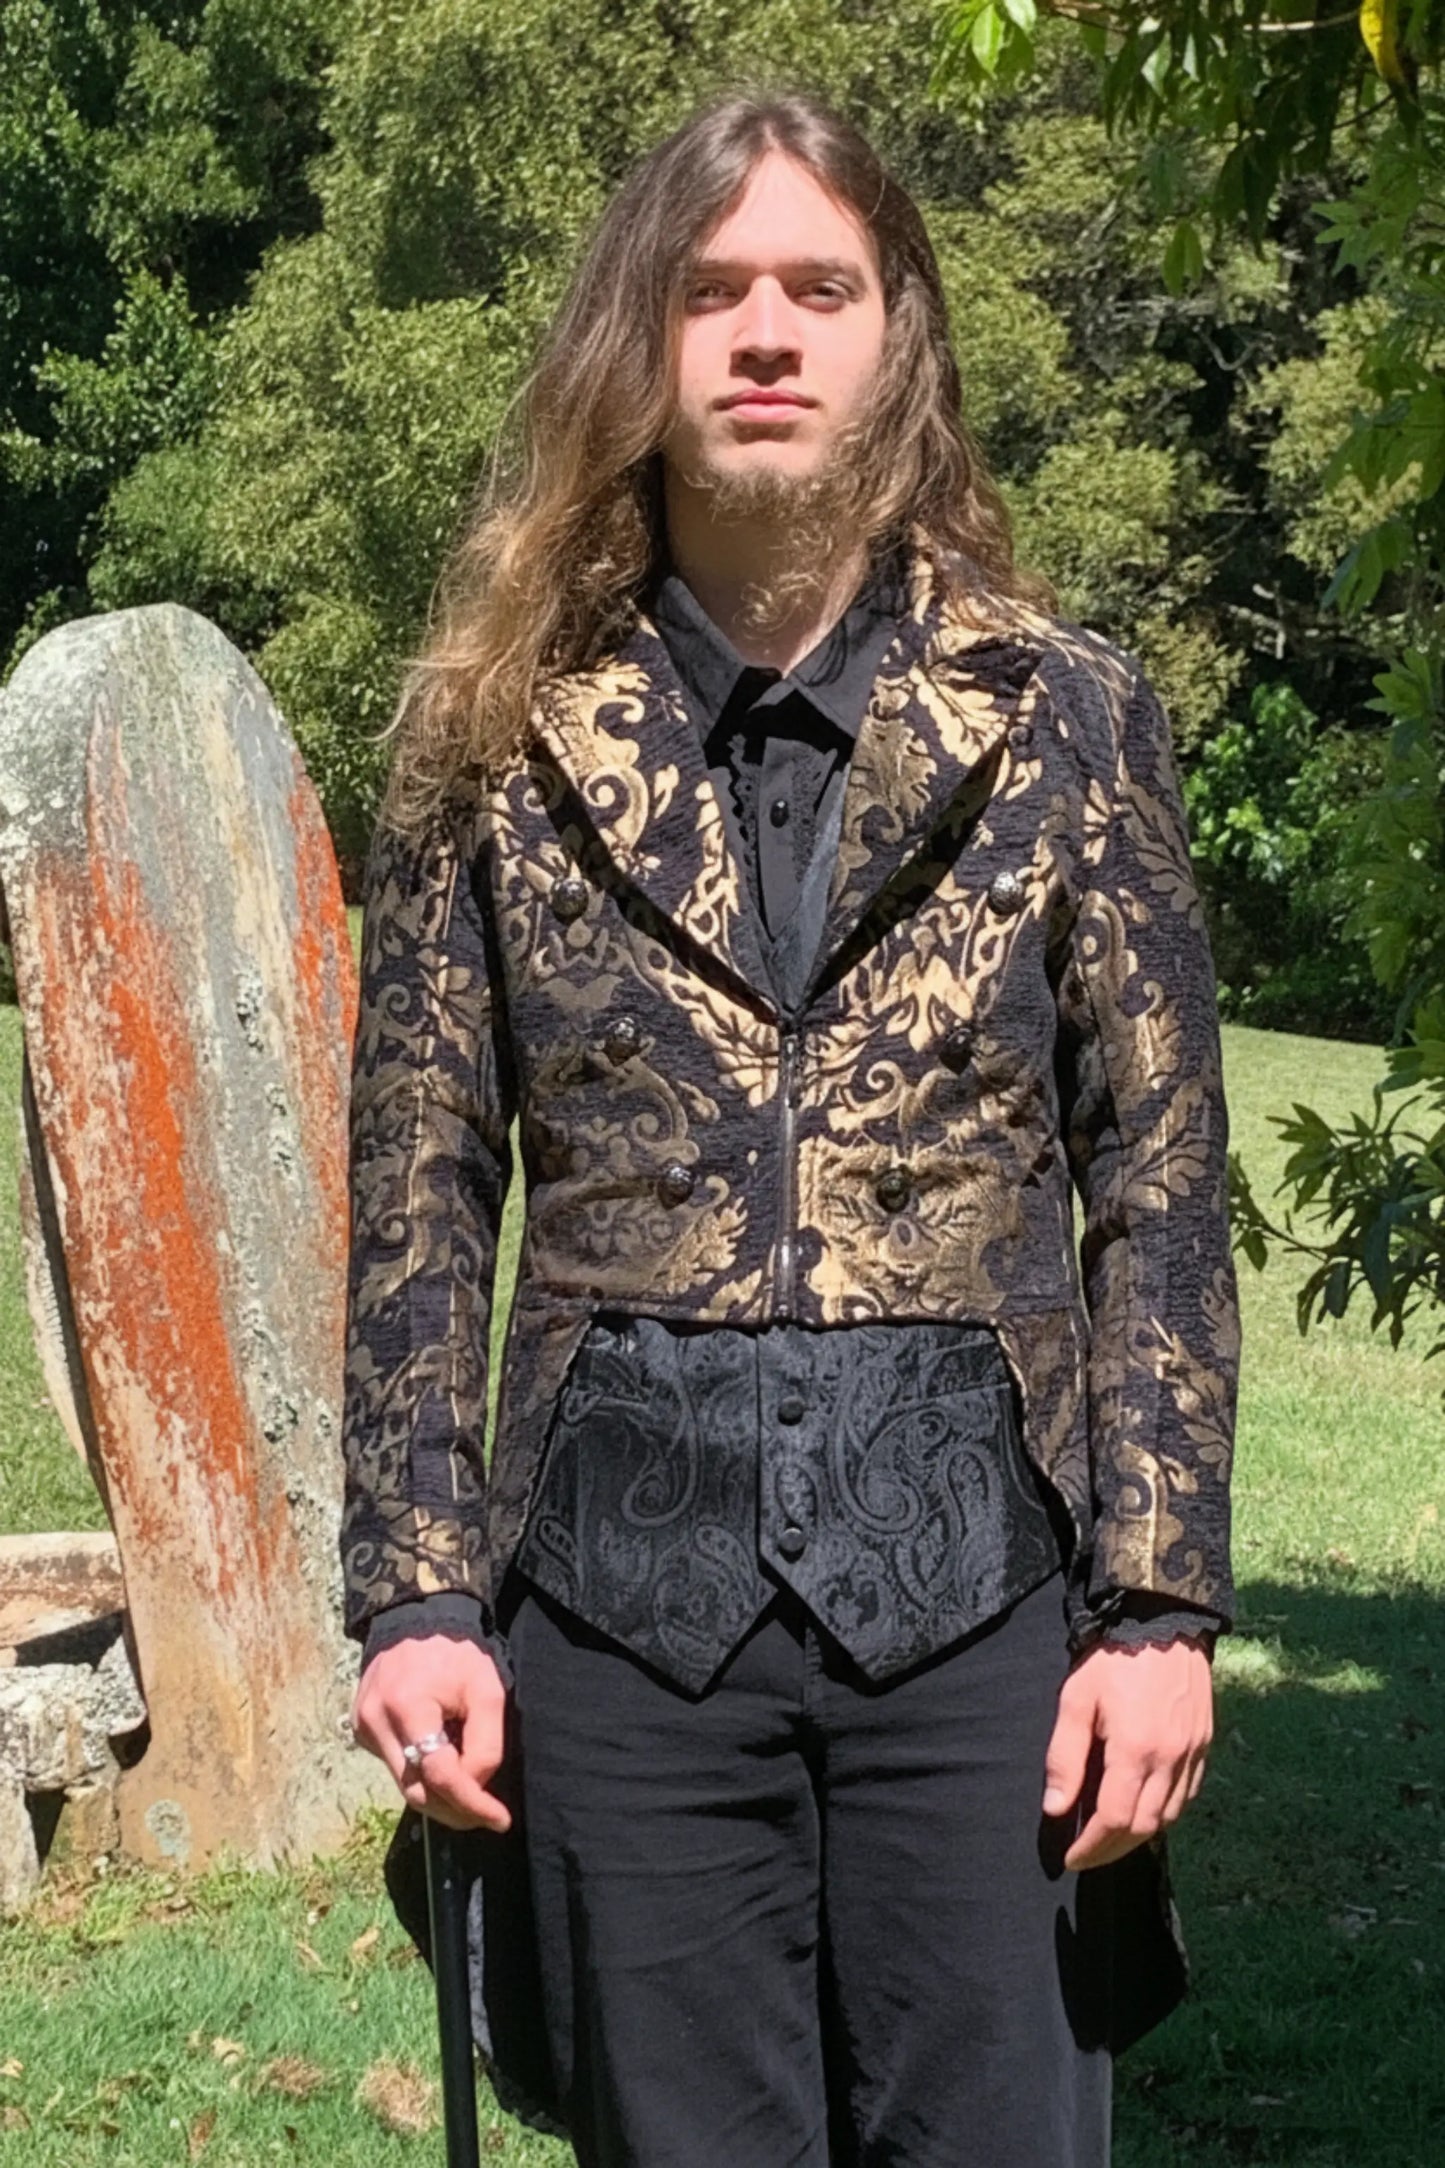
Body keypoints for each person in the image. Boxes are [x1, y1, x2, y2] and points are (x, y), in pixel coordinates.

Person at [340, 89, 1240, 2168]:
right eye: (711, 290)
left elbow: (1166, 1194)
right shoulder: (487, 733)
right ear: (635, 351)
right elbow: (414, 1189)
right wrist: (415, 1597)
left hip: (985, 1608)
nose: (765, 334)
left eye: (817, 289)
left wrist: (1161, 1612)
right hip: (615, 1612)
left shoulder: (1071, 715)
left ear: (896, 339)